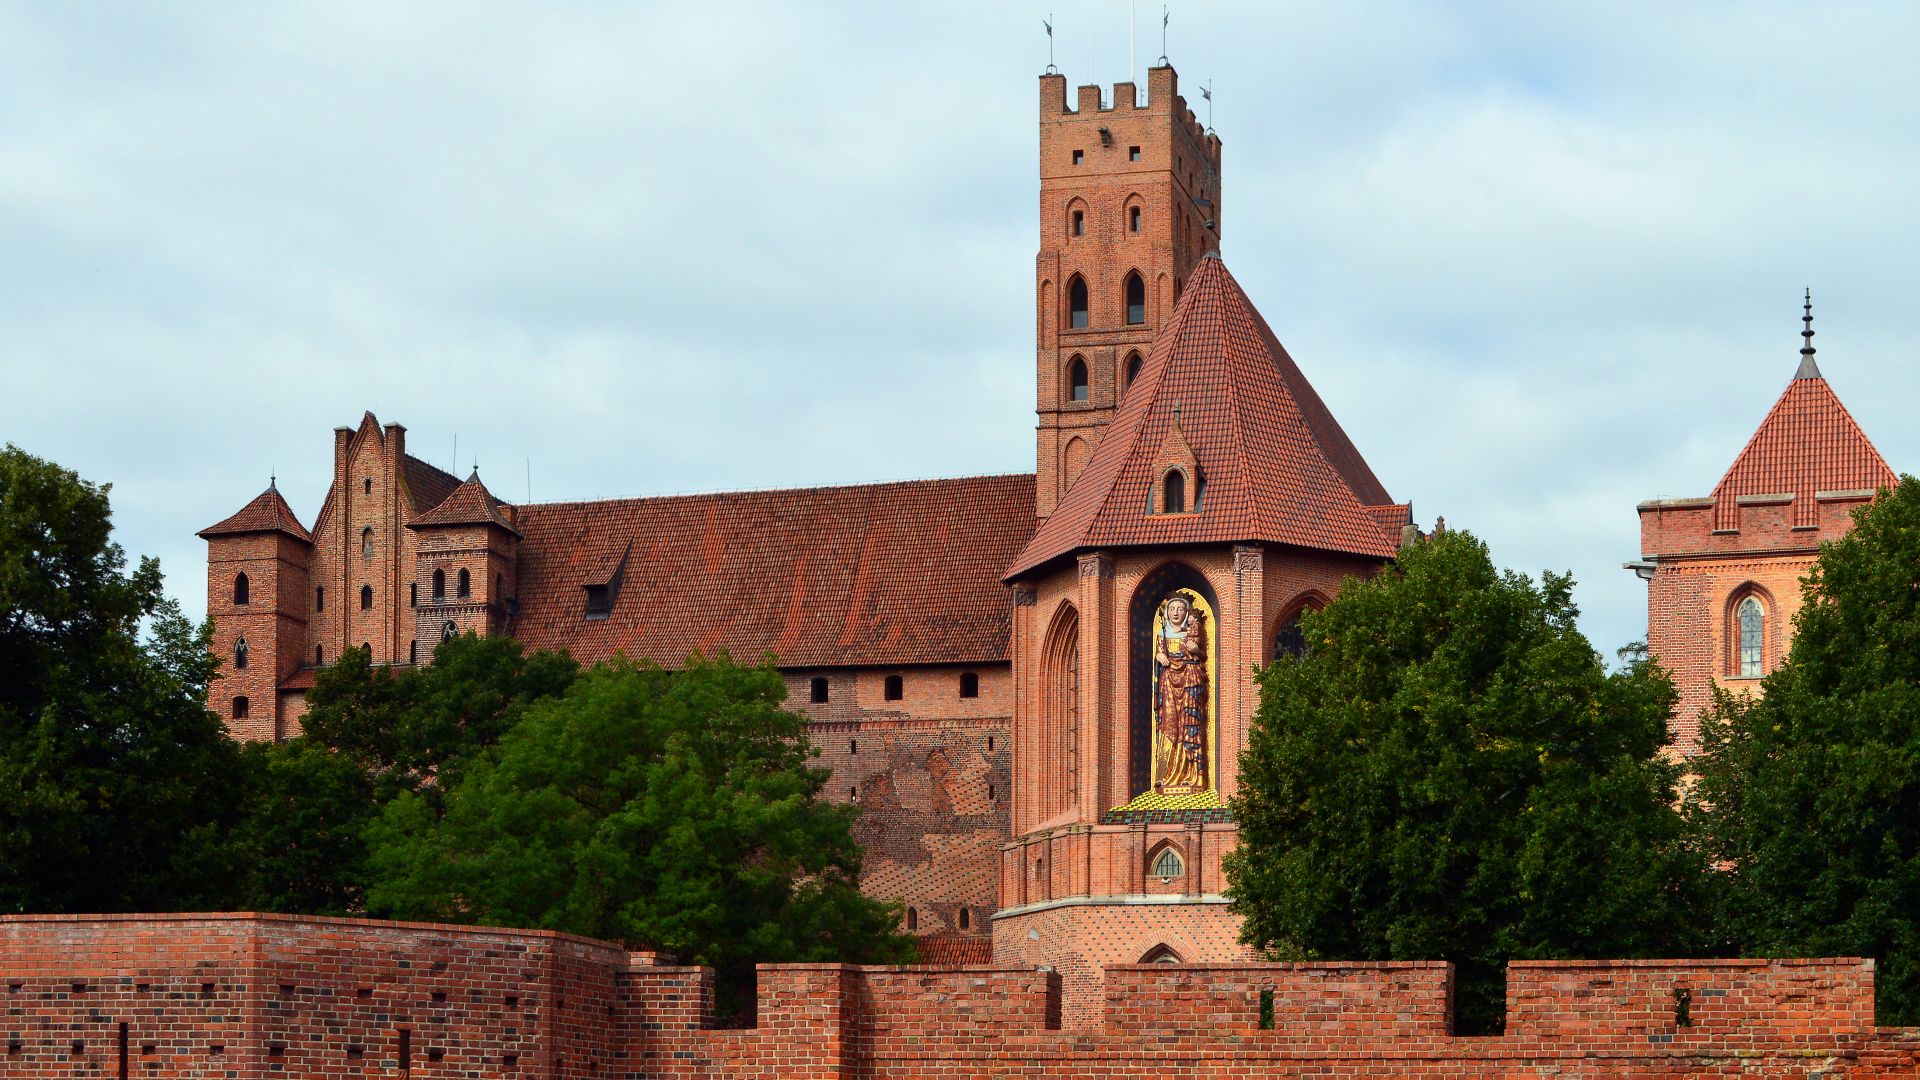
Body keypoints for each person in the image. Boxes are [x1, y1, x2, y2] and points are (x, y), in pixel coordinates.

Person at [1153, 593, 1209, 793]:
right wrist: (1160, 656)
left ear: (1187, 613)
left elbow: (1202, 656)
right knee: (1169, 724)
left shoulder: (1192, 633)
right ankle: (1165, 775)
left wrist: (1197, 651)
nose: (1175, 612)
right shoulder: (1162, 635)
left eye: (1180, 609)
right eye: (1172, 609)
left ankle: (1194, 775)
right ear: (1167, 612)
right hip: (1169, 681)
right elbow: (1160, 652)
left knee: (1190, 723)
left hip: (1189, 678)